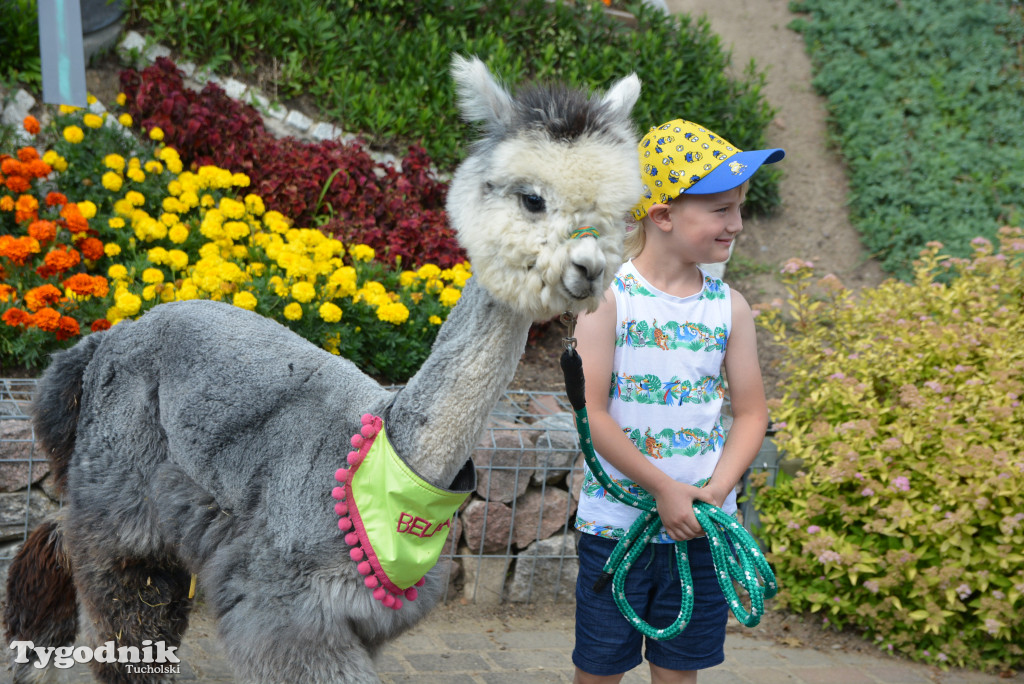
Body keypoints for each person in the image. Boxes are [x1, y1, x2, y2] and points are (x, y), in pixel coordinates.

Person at [572, 119, 783, 684]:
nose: (736, 224)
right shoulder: (609, 299)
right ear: (663, 215)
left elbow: (751, 412)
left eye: (739, 208)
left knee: (678, 672)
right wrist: (664, 489)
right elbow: (591, 414)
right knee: (599, 669)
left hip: (702, 528)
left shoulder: (729, 307)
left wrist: (714, 493)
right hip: (619, 529)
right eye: (720, 209)